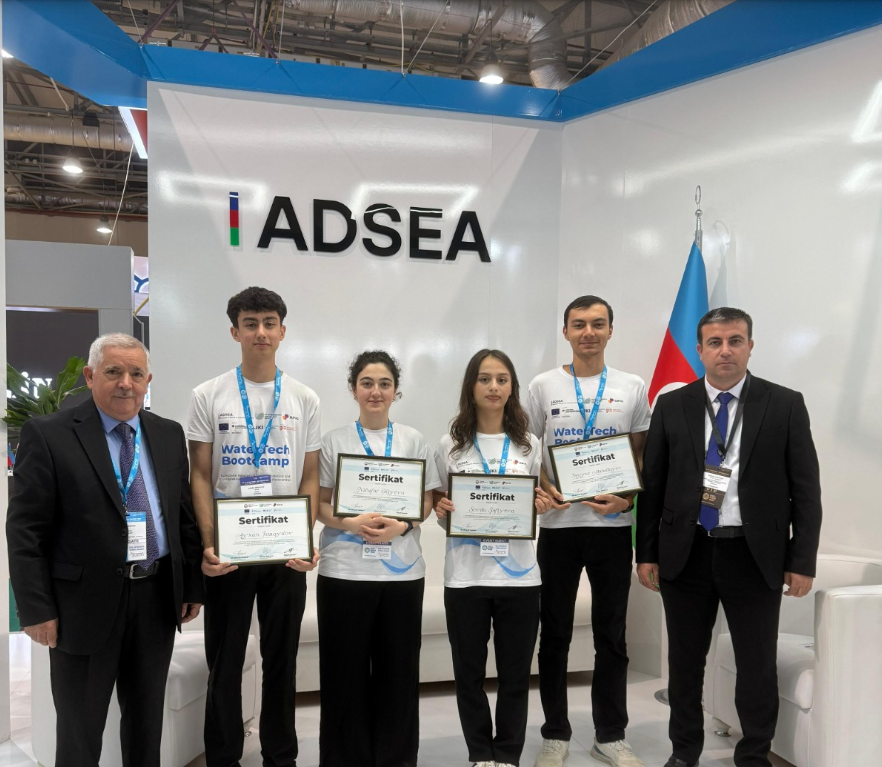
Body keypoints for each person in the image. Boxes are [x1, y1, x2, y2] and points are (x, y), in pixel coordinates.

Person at [7, 333, 204, 767]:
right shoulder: (50, 434)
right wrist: (35, 609)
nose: (125, 383)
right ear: (90, 376)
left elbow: (182, 516)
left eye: (136, 373)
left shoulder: (167, 434)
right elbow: (25, 529)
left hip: (155, 599)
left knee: (147, 724)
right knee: (79, 731)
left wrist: (190, 585)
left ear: (148, 380)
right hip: (82, 605)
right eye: (113, 372)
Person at [636, 307, 822, 767]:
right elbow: (653, 485)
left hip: (754, 555)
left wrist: (802, 560)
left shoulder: (784, 403)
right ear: (699, 349)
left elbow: (806, 489)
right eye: (715, 342)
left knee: (756, 665)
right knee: (684, 664)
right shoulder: (672, 405)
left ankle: (754, 755)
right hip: (687, 552)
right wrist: (646, 553)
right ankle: (684, 752)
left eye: (735, 340)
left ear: (750, 347)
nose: (725, 351)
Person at [187, 286, 321, 767]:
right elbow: (200, 474)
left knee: (282, 659)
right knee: (224, 662)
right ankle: (223, 757)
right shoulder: (208, 394)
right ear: (235, 331)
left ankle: (280, 756)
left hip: (285, 549)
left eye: (269, 323)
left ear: (283, 331)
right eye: (250, 323)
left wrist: (305, 539)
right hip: (230, 550)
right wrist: (209, 544)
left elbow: (309, 475)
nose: (260, 332)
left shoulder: (304, 397)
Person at [526, 295, 651, 767]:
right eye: (579, 324)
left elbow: (640, 454)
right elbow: (527, 451)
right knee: (554, 634)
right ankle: (555, 733)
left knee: (611, 635)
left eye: (598, 324)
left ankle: (610, 735)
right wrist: (544, 489)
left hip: (612, 527)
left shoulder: (631, 386)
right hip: (558, 526)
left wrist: (628, 498)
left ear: (611, 330)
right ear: (566, 332)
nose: (588, 333)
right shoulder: (543, 385)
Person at [316, 350, 440, 767]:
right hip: (344, 572)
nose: (375, 391)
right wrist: (350, 523)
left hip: (402, 575)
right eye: (367, 383)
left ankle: (396, 758)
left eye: (384, 384)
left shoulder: (413, 440)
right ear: (354, 390)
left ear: (396, 391)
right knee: (343, 675)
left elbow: (426, 502)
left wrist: (401, 526)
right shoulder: (334, 441)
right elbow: (320, 505)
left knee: (398, 675)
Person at [434, 349, 553, 767]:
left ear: (512, 388)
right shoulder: (450, 446)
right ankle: (480, 753)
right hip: (465, 577)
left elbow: (538, 499)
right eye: (484, 379)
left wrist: (539, 506)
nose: (493, 387)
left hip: (520, 578)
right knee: (468, 675)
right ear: (471, 386)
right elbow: (439, 507)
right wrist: (441, 511)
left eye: (502, 379)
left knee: (515, 675)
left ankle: (507, 755)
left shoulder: (529, 444)